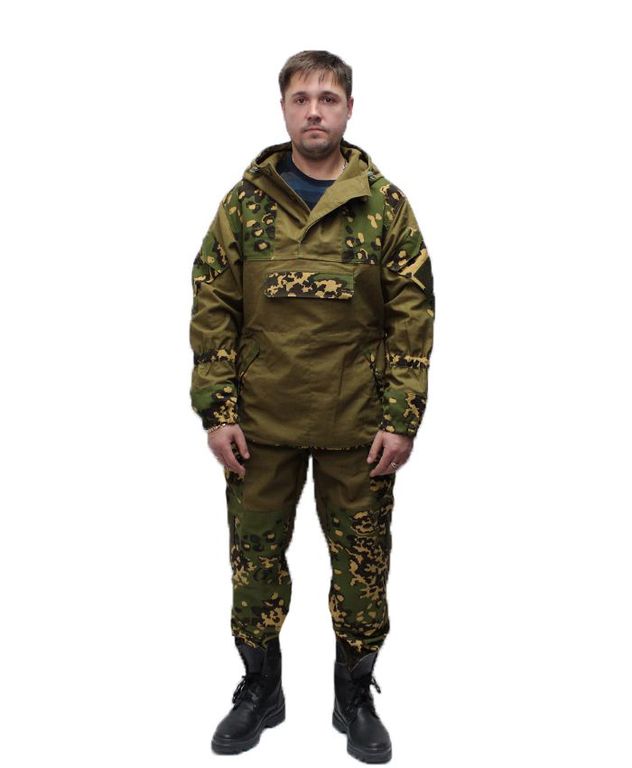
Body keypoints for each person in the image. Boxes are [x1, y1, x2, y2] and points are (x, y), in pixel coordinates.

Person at [189, 50, 435, 763]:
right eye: (301, 98)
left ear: (349, 108)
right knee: (254, 564)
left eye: (328, 98)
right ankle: (260, 690)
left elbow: (412, 315)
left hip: (357, 427)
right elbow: (213, 304)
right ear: (284, 109)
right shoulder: (244, 204)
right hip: (259, 426)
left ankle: (353, 697)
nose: (315, 111)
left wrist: (402, 417)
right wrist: (218, 410)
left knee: (362, 570)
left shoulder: (384, 205)